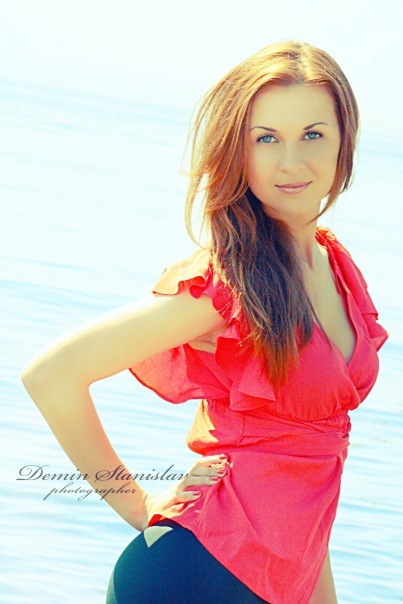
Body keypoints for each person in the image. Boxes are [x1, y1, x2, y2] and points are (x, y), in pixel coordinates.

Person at [21, 39, 389, 604]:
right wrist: (138, 504)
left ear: (345, 140)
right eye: (266, 138)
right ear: (237, 151)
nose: (292, 162)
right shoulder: (229, 285)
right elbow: (52, 374)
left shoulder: (336, 266)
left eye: (313, 134)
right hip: (193, 574)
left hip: (282, 577)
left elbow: (310, 475)